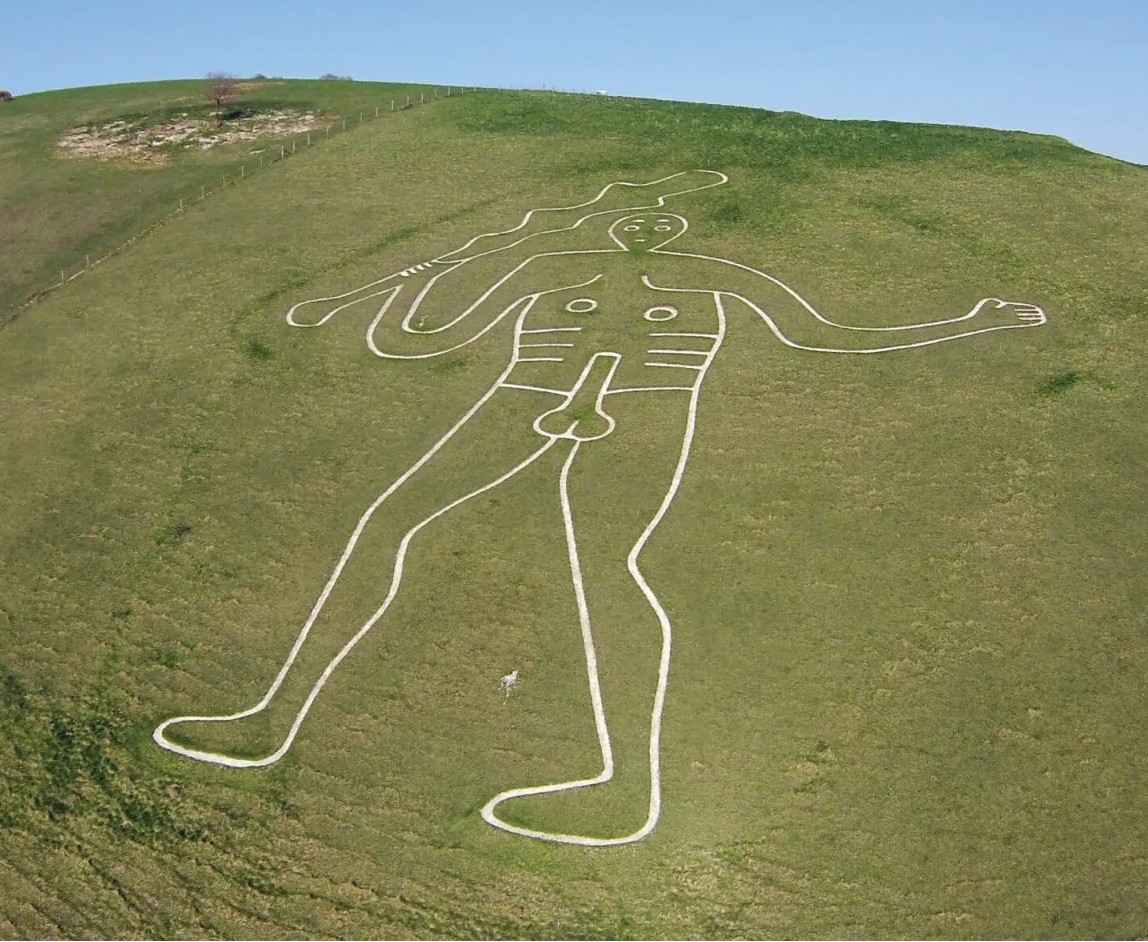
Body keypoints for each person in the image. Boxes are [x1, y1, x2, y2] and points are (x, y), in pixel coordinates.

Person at [154, 173, 1046, 846]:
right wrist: (414, 280)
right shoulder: (550, 263)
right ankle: (265, 720)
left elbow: (824, 334)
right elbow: (420, 341)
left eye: (665, 216)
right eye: (639, 213)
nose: (651, 223)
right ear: (614, 217)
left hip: (646, 412)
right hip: (518, 396)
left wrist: (972, 322)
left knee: (608, 568)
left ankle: (619, 783)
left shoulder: (713, 273)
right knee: (389, 524)